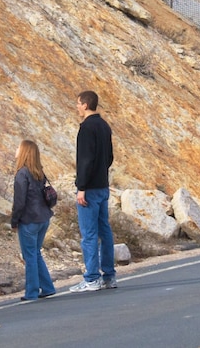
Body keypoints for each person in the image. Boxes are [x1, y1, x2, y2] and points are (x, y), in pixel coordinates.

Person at [69, 90, 117, 293]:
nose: (77, 107)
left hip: (89, 188)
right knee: (104, 231)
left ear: (85, 104)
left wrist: (81, 187)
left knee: (89, 234)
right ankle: (109, 275)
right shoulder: (104, 126)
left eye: (79, 104)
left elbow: (85, 160)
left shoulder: (86, 128)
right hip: (103, 185)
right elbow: (110, 157)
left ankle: (92, 277)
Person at [10, 140, 57, 301]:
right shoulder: (39, 172)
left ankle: (31, 292)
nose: (16, 150)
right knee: (36, 253)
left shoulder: (22, 174)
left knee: (29, 255)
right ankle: (47, 287)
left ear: (24, 152)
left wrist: (14, 221)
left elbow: (19, 201)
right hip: (43, 217)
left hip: (29, 219)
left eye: (18, 147)